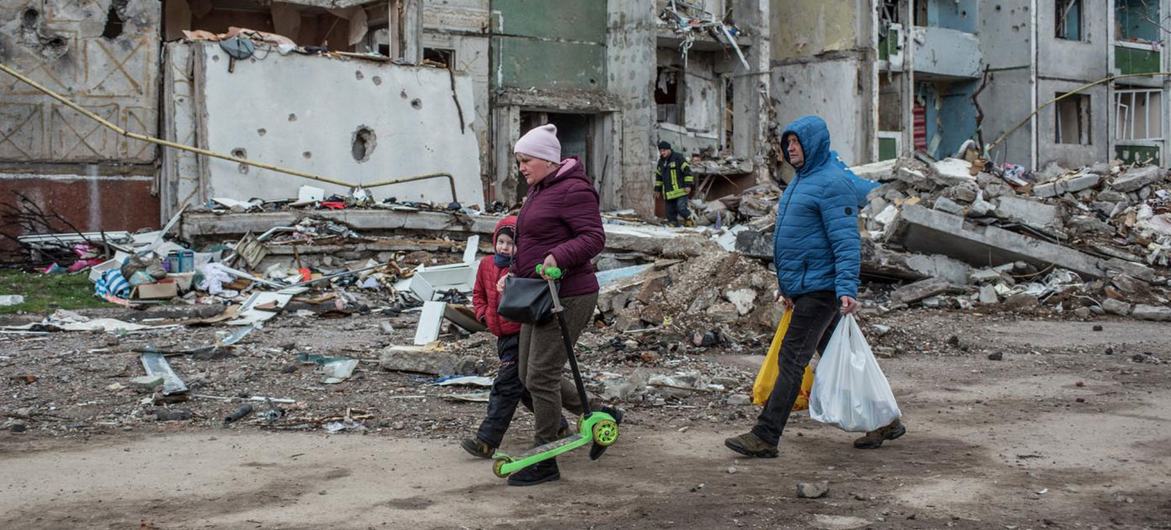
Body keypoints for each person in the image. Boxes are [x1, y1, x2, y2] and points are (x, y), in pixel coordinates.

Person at [724, 115, 905, 458]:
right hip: (806, 286)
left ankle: (765, 435)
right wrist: (787, 286)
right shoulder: (801, 181)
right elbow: (796, 240)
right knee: (845, 355)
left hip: (821, 288)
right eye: (788, 143)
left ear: (813, 144)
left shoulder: (831, 182)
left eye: (796, 142)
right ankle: (885, 420)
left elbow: (846, 241)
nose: (790, 148)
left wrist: (847, 287)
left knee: (792, 357)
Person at [503, 123, 621, 486]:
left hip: (568, 294)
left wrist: (559, 256)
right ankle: (600, 413)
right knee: (527, 376)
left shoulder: (573, 189)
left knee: (541, 375)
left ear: (547, 159)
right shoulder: (540, 190)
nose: (521, 168)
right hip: (535, 293)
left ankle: (546, 456)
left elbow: (593, 237)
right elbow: (532, 239)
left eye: (526, 160)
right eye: (519, 161)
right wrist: (511, 270)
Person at [461, 216, 568, 459]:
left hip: (522, 335)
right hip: (501, 336)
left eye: (510, 243)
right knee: (526, 389)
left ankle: (486, 441)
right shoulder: (486, 265)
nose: (504, 247)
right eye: (501, 241)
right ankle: (559, 424)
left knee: (505, 387)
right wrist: (482, 316)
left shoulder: (522, 269)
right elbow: (478, 295)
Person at [655, 141, 695, 227]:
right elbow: (659, 177)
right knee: (670, 211)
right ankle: (673, 222)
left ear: (669, 149)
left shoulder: (678, 158)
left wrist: (688, 185)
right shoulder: (661, 162)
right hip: (668, 192)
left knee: (681, 208)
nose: (662, 153)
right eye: (660, 151)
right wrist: (657, 189)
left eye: (664, 150)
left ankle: (689, 219)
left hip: (681, 190)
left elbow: (687, 171)